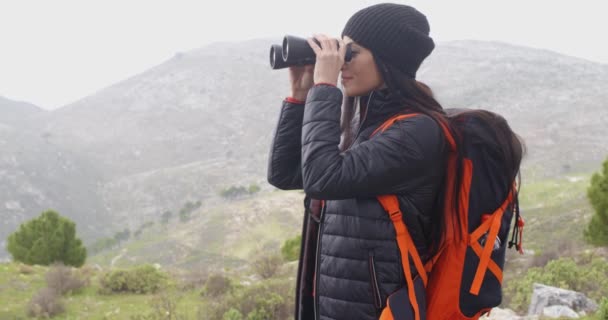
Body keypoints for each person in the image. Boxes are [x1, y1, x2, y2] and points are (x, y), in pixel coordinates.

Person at [268, 3, 518, 320]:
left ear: (388, 59)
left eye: (350, 52)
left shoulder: (416, 131)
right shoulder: (369, 130)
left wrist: (325, 88)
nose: (341, 64)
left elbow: (322, 178)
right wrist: (300, 95)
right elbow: (286, 174)